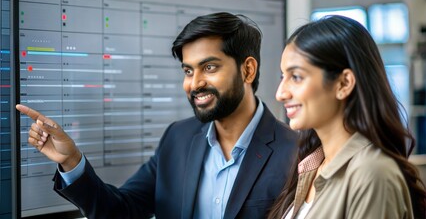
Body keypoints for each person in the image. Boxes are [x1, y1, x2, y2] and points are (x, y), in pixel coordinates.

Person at [16, 12, 298, 219]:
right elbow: (120, 211)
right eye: (188, 71)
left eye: (209, 68)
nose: (195, 83)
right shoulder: (178, 137)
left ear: (247, 70)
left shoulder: (296, 153)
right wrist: (71, 160)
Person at [267, 15, 426, 219]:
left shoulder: (371, 173)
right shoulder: (312, 165)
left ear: (343, 83)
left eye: (296, 77)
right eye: (283, 77)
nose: (281, 93)